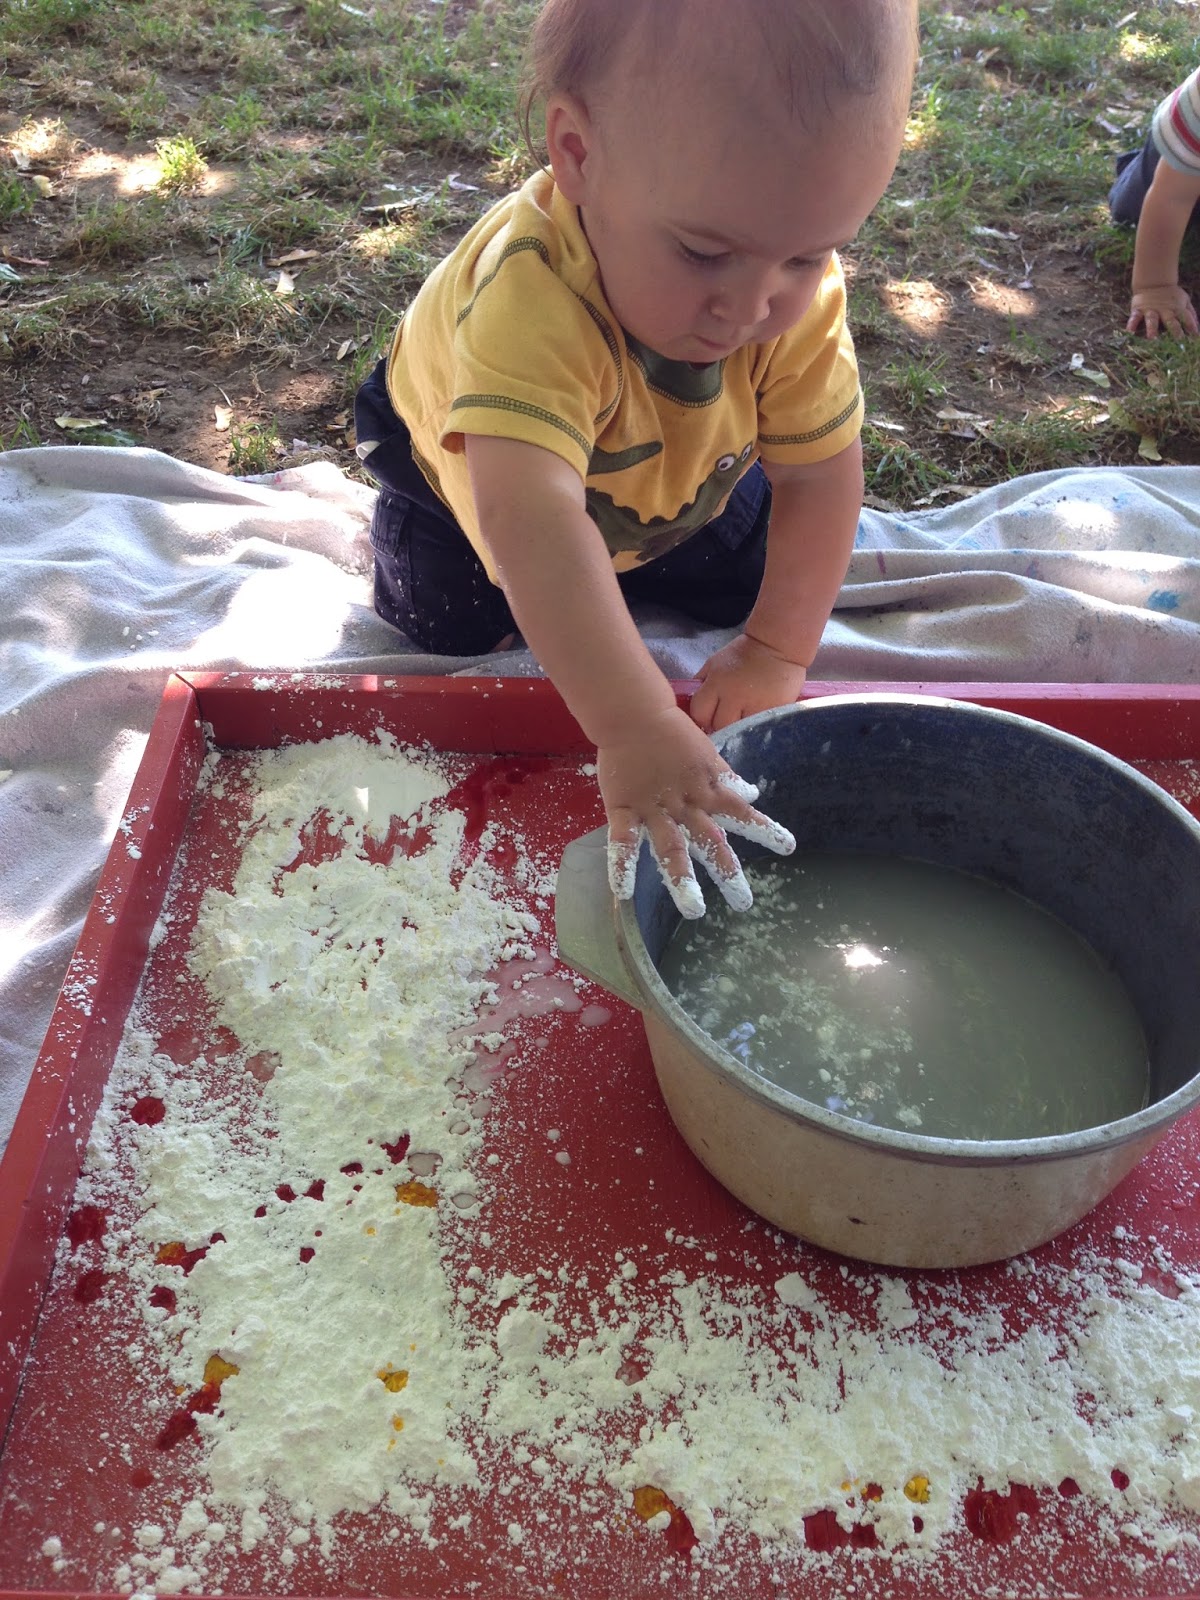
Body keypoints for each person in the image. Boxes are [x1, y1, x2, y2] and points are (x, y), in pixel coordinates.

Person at [354, 0, 919, 917]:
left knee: (754, 581)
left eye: (808, 257)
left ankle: (641, 574)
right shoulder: (530, 297)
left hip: (675, 471)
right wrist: (635, 723)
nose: (751, 308)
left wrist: (777, 652)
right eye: (704, 252)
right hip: (474, 482)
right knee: (449, 620)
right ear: (578, 153)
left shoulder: (777, 286)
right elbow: (529, 515)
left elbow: (819, 476)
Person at [1109, 63, 1200, 339]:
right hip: (1183, 151)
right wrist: (1155, 287)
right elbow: (1172, 198)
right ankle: (1135, 166)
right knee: (1129, 208)